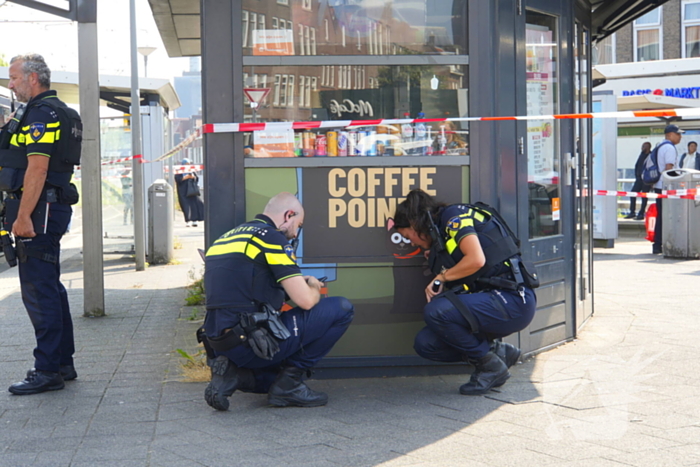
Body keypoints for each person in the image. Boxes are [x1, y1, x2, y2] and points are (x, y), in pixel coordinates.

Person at [200, 192, 354, 410]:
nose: (295, 233)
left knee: (272, 380)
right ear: (288, 215)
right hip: (252, 343)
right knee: (342, 309)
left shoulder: (227, 238)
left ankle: (234, 376)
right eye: (298, 224)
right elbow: (306, 302)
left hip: (220, 343)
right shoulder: (271, 237)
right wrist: (311, 286)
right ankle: (290, 387)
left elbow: (248, 285)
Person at [393, 189, 537, 395]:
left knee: (437, 311)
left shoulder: (453, 216)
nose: (411, 243)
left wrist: (441, 277)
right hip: (492, 300)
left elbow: (476, 259)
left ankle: (490, 367)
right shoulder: (441, 236)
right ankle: (497, 353)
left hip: (512, 300)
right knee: (426, 344)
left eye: (408, 236)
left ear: (414, 224)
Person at [1, 54, 82, 395]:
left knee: (37, 288)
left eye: (14, 77)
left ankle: (47, 369)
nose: (11, 84)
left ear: (33, 78)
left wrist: (22, 217)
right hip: (49, 205)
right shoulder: (61, 111)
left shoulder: (41, 114)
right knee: (49, 285)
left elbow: (38, 168)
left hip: (38, 209)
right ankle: (62, 362)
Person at [653, 124, 683, 255]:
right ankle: (661, 244)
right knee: (667, 217)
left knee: (661, 216)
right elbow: (669, 169)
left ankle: (658, 244)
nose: (680, 137)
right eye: (678, 134)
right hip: (667, 187)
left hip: (659, 186)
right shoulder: (670, 148)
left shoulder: (660, 146)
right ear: (670, 135)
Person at [624, 142, 652, 220]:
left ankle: (641, 213)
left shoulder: (651, 156)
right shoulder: (641, 154)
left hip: (646, 180)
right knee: (633, 193)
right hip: (639, 179)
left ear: (648, 147)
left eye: (644, 147)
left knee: (644, 196)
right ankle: (632, 212)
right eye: (642, 146)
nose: (642, 148)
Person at [174, 158, 204, 227]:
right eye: (186, 164)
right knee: (186, 206)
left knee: (195, 205)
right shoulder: (179, 171)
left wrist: (192, 177)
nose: (188, 165)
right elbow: (178, 179)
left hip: (192, 191)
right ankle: (188, 220)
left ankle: (195, 220)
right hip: (183, 192)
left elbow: (196, 178)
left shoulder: (191, 170)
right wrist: (186, 177)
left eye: (189, 164)